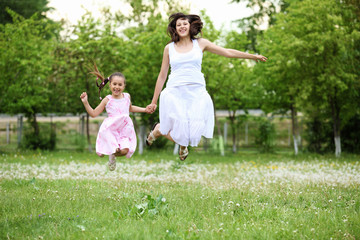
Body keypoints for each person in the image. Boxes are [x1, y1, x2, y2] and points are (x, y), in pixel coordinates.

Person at [145, 13, 267, 160]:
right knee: (181, 131)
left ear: (190, 26)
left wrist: (253, 56)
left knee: (194, 133)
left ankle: (160, 131)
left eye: (185, 23)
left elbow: (227, 52)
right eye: (178, 25)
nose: (182, 26)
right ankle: (163, 132)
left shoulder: (200, 43)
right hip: (175, 91)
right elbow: (162, 75)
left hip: (197, 92)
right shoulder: (169, 48)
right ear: (175, 29)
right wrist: (154, 101)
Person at [80, 64, 149, 171]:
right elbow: (93, 114)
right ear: (110, 85)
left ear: (124, 86)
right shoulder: (107, 100)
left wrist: (145, 109)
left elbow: (129, 108)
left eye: (120, 84)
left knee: (125, 150)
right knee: (115, 147)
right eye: (114, 84)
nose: (117, 87)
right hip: (111, 129)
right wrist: (85, 103)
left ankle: (112, 154)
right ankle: (111, 154)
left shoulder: (127, 96)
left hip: (125, 128)